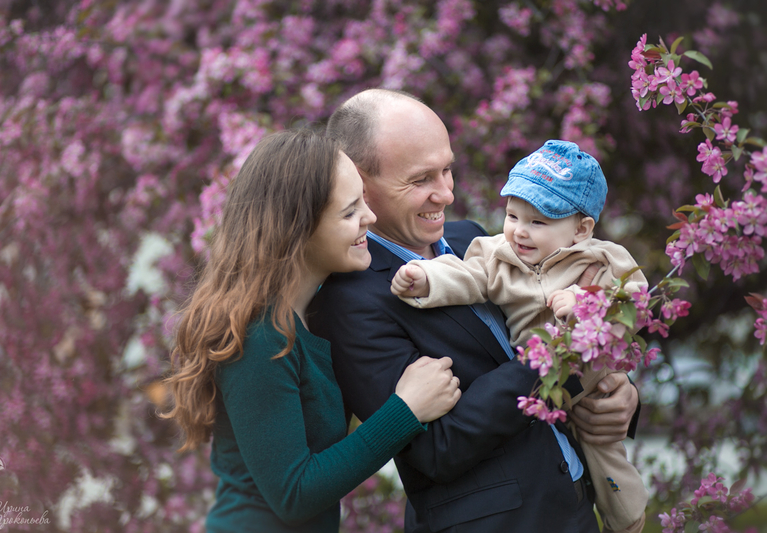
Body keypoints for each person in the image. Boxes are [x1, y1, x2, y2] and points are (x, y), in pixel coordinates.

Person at [307, 89, 641, 533]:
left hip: (575, 510)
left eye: (447, 169)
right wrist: (559, 354)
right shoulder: (349, 302)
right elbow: (436, 450)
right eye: (421, 179)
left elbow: (543, 313)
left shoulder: (473, 239)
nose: (446, 193)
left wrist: (621, 396)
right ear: (360, 184)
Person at [161, 129, 462, 533]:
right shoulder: (259, 337)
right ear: (298, 228)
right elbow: (294, 494)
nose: (369, 218)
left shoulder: (316, 313)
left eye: (363, 202)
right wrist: (406, 410)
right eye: (349, 212)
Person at [390, 139, 649, 533]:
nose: (520, 232)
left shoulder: (603, 258)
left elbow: (634, 301)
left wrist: (584, 302)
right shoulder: (497, 254)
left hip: (587, 378)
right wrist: (426, 278)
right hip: (538, 383)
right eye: (512, 216)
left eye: (538, 222)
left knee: (605, 455)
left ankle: (627, 519)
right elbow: (466, 275)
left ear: (581, 229)